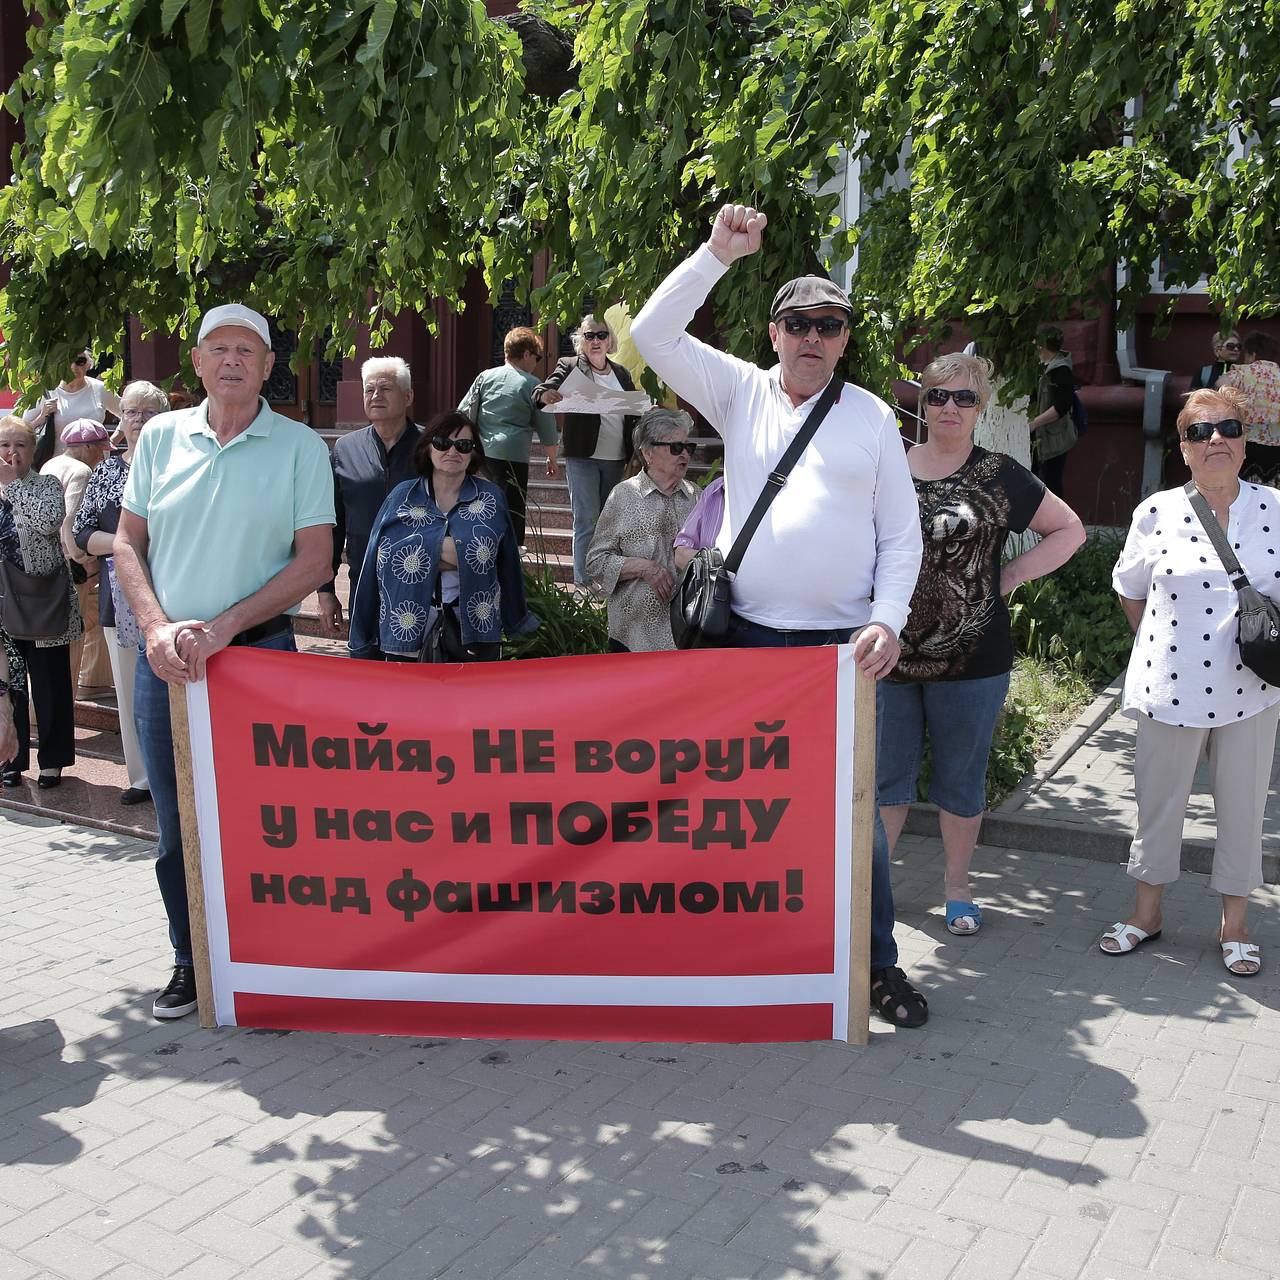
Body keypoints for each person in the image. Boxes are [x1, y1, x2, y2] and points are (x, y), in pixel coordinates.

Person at [632, 202, 928, 1028]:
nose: (814, 338)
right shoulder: (739, 391)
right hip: (750, 641)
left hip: (842, 650)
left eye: (830, 326)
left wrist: (889, 619)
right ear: (774, 332)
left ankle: (875, 967)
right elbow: (653, 336)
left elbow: (901, 537)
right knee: (741, 806)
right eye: (799, 323)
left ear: (843, 338)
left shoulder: (871, 417)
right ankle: (748, 956)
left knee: (856, 818)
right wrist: (716, 255)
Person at [115, 303, 335, 1019]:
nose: (233, 359)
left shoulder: (300, 446)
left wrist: (227, 626)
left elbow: (314, 561)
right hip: (168, 663)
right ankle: (191, 960)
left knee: (270, 821)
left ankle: (273, 960)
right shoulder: (159, 440)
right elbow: (125, 545)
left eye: (248, 349)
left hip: (261, 656)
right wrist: (154, 628)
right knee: (177, 824)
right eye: (219, 348)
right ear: (199, 362)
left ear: (270, 366)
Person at [877, 354, 1085, 935]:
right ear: (922, 401)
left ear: (980, 407)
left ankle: (958, 888)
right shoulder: (887, 466)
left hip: (973, 660)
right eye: (939, 396)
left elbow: (1070, 529)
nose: (949, 408)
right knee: (885, 781)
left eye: (964, 398)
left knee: (960, 781)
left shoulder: (1000, 473)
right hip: (888, 655)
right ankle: (874, 895)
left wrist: (1013, 576)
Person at [1103, 386, 1279, 976]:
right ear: (1184, 448)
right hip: (1168, 686)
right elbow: (1131, 594)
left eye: (1227, 428)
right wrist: (1169, 642)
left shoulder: (1276, 509)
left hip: (1251, 690)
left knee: (1243, 808)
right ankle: (1147, 914)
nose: (1216, 441)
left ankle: (1235, 923)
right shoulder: (1156, 511)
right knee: (1158, 806)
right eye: (1200, 433)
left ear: (1245, 440)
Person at [348, 412, 536, 662]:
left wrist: (419, 553)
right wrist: (458, 555)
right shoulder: (402, 496)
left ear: (473, 455)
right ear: (428, 448)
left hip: (474, 633)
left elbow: (496, 557)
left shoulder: (490, 498)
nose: (452, 451)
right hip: (406, 630)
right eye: (442, 443)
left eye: (463, 445)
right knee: (410, 701)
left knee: (470, 701)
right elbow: (382, 557)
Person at [72, 381, 169, 806]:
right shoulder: (108, 470)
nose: (140, 420)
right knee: (131, 689)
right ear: (120, 419)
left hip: (175, 592)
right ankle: (142, 777)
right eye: (131, 412)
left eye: (149, 412)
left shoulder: (179, 464)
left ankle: (182, 766)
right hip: (120, 596)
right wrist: (125, 546)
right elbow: (82, 532)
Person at [0, 416, 83, 789]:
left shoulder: (46, 484)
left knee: (50, 684)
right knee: (8, 685)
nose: (11, 453)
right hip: (4, 604)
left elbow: (49, 521)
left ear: (33, 450)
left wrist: (12, 487)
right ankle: (10, 759)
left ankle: (53, 761)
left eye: (19, 445)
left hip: (43, 602)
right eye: (4, 445)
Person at [316, 357, 423, 635]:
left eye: (385, 388)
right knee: (366, 671)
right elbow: (333, 523)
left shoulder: (431, 450)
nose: (375, 396)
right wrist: (326, 590)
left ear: (408, 396)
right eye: (369, 389)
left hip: (422, 588)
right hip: (363, 586)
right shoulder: (345, 450)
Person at [534, 315, 640, 586]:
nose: (595, 341)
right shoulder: (570, 366)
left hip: (616, 458)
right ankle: (583, 582)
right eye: (589, 336)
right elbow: (544, 388)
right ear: (581, 340)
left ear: (610, 341)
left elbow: (632, 409)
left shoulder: (621, 373)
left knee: (609, 522)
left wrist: (643, 410)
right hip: (583, 457)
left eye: (601, 335)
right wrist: (545, 395)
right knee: (586, 520)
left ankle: (607, 577)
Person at [586, 408, 699, 652]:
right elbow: (595, 562)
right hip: (632, 636)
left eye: (688, 447)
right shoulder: (624, 496)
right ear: (648, 453)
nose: (685, 455)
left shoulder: (696, 497)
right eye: (676, 448)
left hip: (684, 638)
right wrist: (644, 568)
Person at [457, 327, 560, 545]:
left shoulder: (484, 377)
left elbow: (465, 413)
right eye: (537, 357)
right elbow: (546, 424)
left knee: (482, 506)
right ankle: (511, 559)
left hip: (483, 454)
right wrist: (552, 457)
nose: (537, 363)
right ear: (526, 354)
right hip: (514, 457)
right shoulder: (532, 384)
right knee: (512, 511)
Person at [42, 419, 114, 699]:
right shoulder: (82, 471)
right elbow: (68, 520)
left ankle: (93, 681)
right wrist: (83, 558)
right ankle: (64, 704)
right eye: (99, 448)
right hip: (71, 566)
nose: (102, 455)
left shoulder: (51, 464)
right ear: (85, 447)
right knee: (71, 638)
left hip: (47, 562)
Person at [23, 350, 122, 468]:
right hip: (57, 469)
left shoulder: (100, 389)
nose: (73, 367)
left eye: (80, 361)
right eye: (67, 361)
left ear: (89, 365)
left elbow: (128, 414)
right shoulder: (46, 391)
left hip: (96, 468)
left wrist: (112, 441)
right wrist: (41, 417)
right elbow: (21, 429)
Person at [1219, 332, 1280, 486]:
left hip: (1246, 447)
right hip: (1277, 448)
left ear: (1252, 355)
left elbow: (1219, 388)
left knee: (1244, 495)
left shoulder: (1240, 373)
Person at [1028, 326, 1077, 499]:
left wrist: (1034, 424)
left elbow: (1061, 407)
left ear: (1041, 345)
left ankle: (1058, 523)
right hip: (1038, 436)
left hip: (1053, 438)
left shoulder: (1059, 370)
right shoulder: (1039, 366)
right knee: (1033, 479)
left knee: (1051, 482)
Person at [673, 474, 726, 572]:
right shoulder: (715, 490)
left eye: (690, 456)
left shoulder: (695, 491)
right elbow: (680, 555)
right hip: (715, 584)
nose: (685, 457)